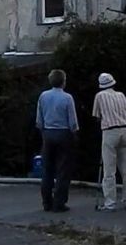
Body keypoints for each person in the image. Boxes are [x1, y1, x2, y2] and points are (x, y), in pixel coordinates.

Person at [35, 68, 78, 213]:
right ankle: (59, 202)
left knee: (47, 169)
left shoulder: (43, 96)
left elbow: (39, 119)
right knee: (63, 169)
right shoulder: (67, 98)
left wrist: (43, 132)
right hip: (63, 133)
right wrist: (74, 132)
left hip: (48, 132)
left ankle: (46, 202)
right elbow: (72, 121)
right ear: (63, 82)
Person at [92, 72, 126, 211]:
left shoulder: (100, 96)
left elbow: (97, 116)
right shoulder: (121, 95)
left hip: (110, 131)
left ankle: (110, 202)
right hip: (124, 130)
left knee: (109, 169)